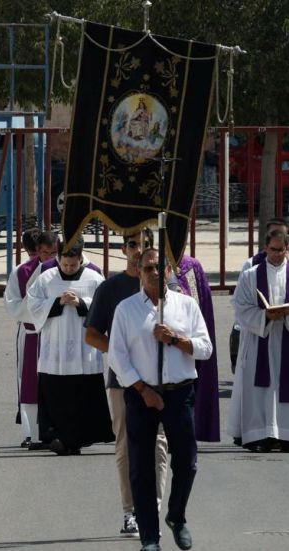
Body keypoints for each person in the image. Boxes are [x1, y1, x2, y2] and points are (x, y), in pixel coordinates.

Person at [108, 248, 212, 551]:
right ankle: (149, 538)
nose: (154, 272)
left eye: (159, 267)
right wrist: (143, 390)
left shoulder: (186, 305)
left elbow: (205, 348)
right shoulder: (126, 309)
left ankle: (177, 516)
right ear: (139, 271)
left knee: (187, 462)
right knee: (141, 468)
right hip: (142, 394)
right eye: (148, 268)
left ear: (169, 271)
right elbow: (117, 356)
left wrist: (176, 340)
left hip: (179, 392)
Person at [85, 228, 169, 537]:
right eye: (133, 244)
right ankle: (130, 511)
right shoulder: (110, 288)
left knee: (159, 444)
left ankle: (153, 510)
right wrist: (120, 353)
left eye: (146, 245)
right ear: (124, 249)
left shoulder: (163, 287)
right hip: (122, 382)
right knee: (126, 445)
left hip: (159, 381)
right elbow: (92, 334)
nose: (139, 250)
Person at [228, 230, 289, 453]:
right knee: (262, 387)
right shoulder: (250, 275)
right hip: (260, 339)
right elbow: (241, 308)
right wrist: (264, 316)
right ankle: (259, 434)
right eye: (273, 250)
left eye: (282, 250)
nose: (277, 255)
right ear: (265, 249)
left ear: (288, 250)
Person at [27, 239, 113, 456]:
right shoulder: (47, 278)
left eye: (72, 265)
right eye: (64, 265)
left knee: (82, 394)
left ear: (80, 259)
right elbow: (33, 305)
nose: (68, 269)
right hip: (54, 350)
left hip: (84, 350)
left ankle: (78, 439)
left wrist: (82, 303)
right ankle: (58, 437)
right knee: (56, 393)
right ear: (59, 259)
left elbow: (105, 307)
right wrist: (56, 302)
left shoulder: (94, 278)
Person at [3, 229, 58, 449]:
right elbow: (13, 306)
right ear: (38, 251)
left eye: (54, 253)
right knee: (29, 383)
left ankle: (58, 428)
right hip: (33, 334)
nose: (50, 258)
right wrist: (39, 309)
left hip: (59, 335)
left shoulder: (67, 268)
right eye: (45, 253)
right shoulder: (22, 271)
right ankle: (32, 433)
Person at [171, 255, 221, 442]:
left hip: (184, 340)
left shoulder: (190, 266)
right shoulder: (149, 263)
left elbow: (201, 306)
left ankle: (188, 430)